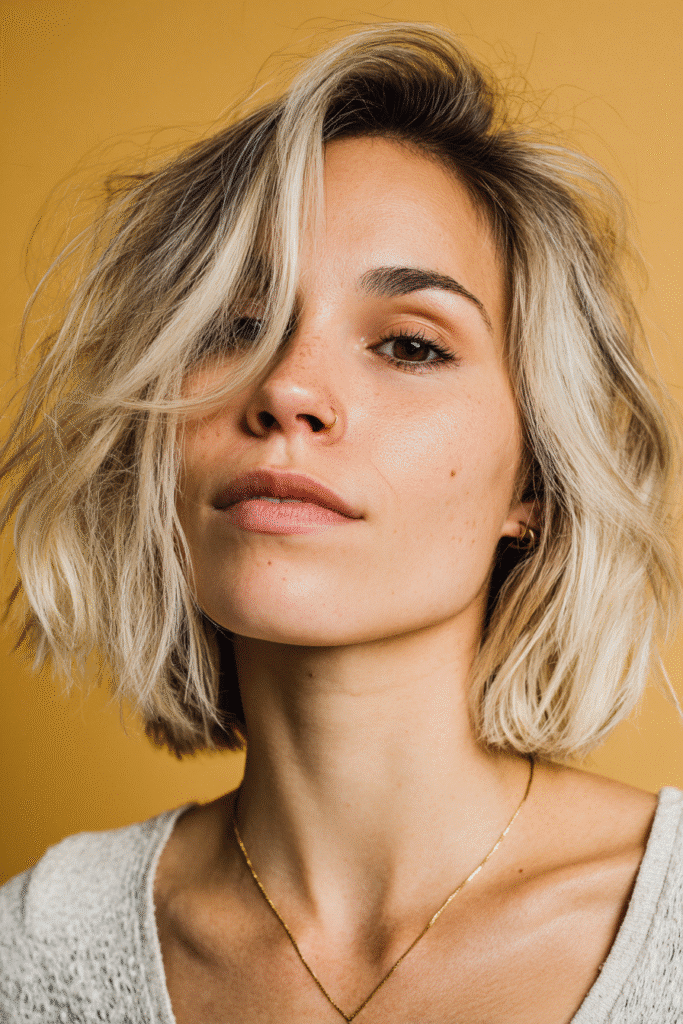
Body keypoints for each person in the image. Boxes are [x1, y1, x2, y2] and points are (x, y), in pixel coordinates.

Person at [0, 21, 681, 1024]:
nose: (284, 389)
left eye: (407, 345)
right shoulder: (35, 953)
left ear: (532, 484)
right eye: (231, 328)